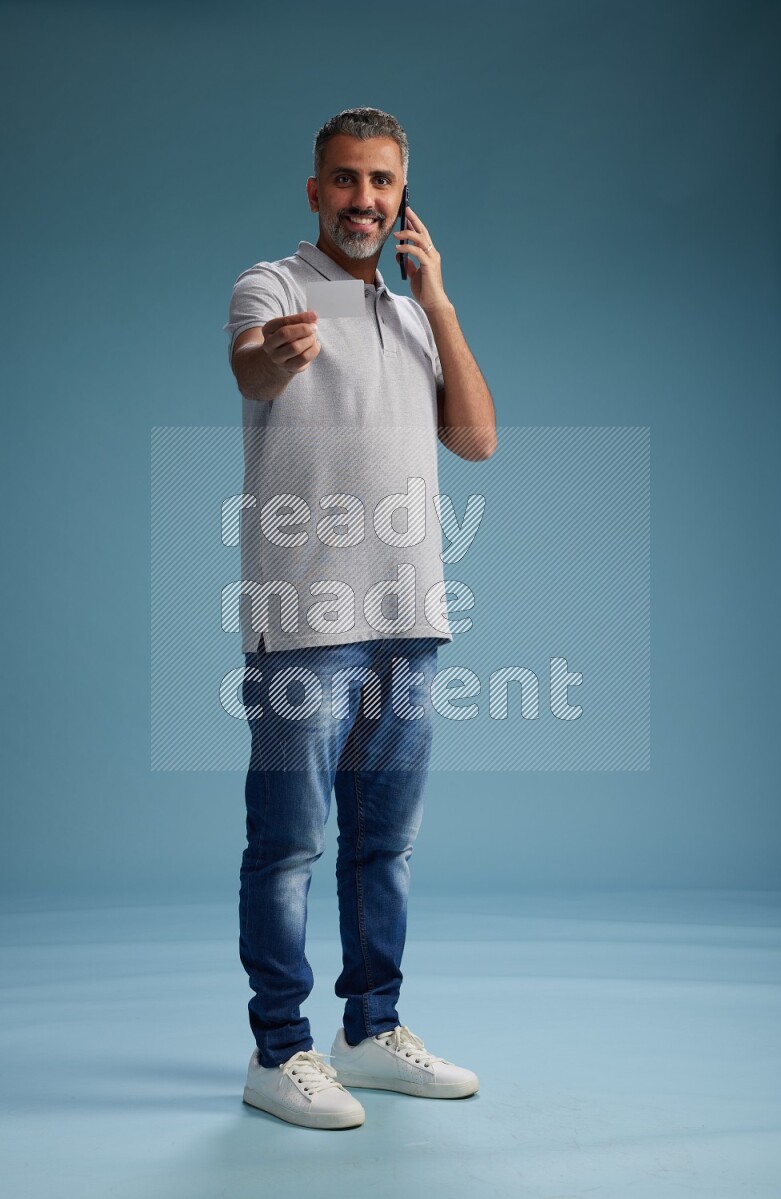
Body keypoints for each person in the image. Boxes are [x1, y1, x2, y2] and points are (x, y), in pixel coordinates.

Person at [224, 107, 496, 1130]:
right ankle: (278, 1050)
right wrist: (279, 358)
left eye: (380, 182)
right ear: (314, 192)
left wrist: (440, 300)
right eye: (344, 180)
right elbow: (248, 365)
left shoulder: (415, 312)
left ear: (401, 197)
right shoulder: (274, 286)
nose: (363, 200)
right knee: (288, 844)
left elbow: (474, 441)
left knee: (384, 843)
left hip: (409, 615)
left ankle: (370, 1030)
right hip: (304, 618)